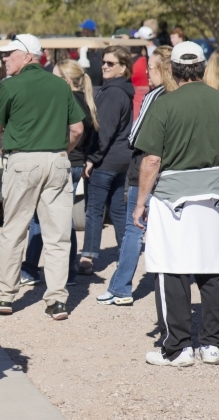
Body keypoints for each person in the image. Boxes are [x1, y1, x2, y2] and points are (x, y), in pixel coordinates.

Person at [134, 41, 219, 367]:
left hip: (173, 200)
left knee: (171, 271)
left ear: (173, 69)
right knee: (212, 271)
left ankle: (178, 347)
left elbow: (152, 160)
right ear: (200, 66)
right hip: (213, 197)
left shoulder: (165, 104)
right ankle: (212, 345)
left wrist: (141, 202)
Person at [0, 34, 85, 320]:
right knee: (58, 235)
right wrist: (59, 151)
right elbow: (78, 129)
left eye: (11, 54)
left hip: (23, 161)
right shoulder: (59, 85)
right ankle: (57, 300)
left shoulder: (10, 86)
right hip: (57, 160)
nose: (5, 59)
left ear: (28, 55)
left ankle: (5, 296)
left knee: (14, 230)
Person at [97, 46, 177, 306]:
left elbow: (136, 135)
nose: (147, 73)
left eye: (151, 68)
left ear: (162, 70)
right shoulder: (180, 96)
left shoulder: (156, 95)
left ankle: (121, 287)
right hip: (173, 170)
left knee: (134, 229)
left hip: (145, 167)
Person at [19, 59, 98, 287]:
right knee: (64, 219)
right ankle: (67, 271)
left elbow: (74, 131)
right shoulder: (87, 101)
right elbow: (91, 135)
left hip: (61, 161)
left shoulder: (65, 99)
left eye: (53, 76)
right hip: (76, 163)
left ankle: (31, 268)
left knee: (41, 217)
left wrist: (65, 151)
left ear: (65, 79)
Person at [78, 46, 134, 275]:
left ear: (123, 67)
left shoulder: (113, 92)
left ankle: (88, 256)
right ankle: (125, 253)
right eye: (103, 62)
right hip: (121, 160)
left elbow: (105, 131)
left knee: (94, 210)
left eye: (110, 63)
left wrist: (92, 158)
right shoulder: (121, 89)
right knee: (118, 211)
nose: (104, 66)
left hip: (107, 161)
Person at [79, 19, 103, 86]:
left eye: (83, 29)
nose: (81, 32)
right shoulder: (100, 50)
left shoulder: (87, 53)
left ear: (86, 31)